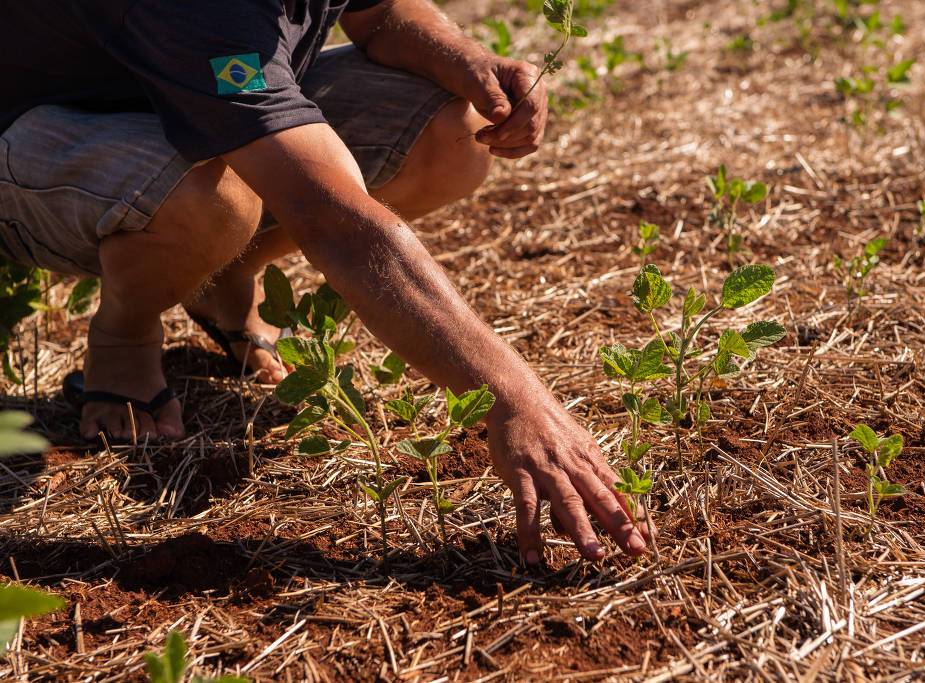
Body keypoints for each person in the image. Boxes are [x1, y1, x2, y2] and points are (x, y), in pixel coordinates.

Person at [0, 0, 652, 564]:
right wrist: (514, 398)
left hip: (180, 89)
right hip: (35, 135)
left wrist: (464, 57)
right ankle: (125, 333)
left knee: (454, 126)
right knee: (209, 197)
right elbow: (334, 220)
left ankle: (218, 275)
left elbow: (384, 15)